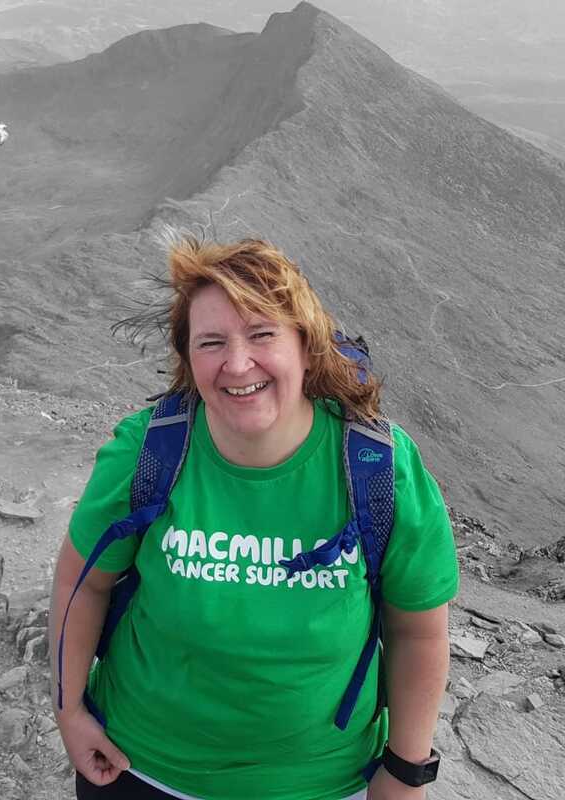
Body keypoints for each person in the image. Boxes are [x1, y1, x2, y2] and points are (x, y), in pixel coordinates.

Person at [49, 237, 459, 800]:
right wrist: (69, 710)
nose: (237, 364)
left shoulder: (378, 469)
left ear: (307, 347)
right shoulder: (147, 453)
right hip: (141, 768)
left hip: (322, 783)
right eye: (211, 342)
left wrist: (407, 770)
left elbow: (417, 629)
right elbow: (82, 581)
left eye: (263, 334)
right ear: (189, 362)